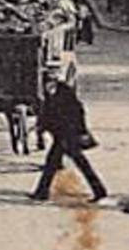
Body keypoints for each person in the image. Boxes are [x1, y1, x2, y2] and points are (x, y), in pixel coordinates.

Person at [29, 67, 108, 203]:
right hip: (60, 134)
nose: (49, 85)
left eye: (51, 82)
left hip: (68, 133)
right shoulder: (46, 94)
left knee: (60, 164)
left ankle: (42, 193)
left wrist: (81, 130)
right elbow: (46, 113)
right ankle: (42, 192)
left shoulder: (65, 91)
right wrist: (42, 128)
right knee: (59, 163)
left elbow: (78, 111)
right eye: (47, 82)